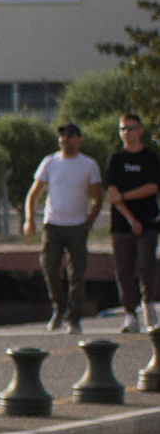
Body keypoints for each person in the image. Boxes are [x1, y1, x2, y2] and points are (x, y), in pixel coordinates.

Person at [25, 121, 106, 333]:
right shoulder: (50, 162)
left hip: (77, 226)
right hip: (53, 225)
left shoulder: (88, 165)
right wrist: (29, 219)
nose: (65, 140)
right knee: (49, 266)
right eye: (62, 137)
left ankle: (74, 317)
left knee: (76, 273)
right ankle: (59, 307)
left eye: (70, 136)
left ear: (79, 139)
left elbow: (98, 198)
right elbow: (34, 194)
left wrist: (90, 220)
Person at [105, 116, 159, 334]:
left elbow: (152, 187)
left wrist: (125, 196)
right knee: (124, 268)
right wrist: (130, 219)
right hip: (122, 224)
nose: (126, 132)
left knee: (146, 264)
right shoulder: (116, 159)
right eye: (122, 129)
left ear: (140, 131)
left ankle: (149, 305)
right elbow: (111, 195)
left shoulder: (151, 157)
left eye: (130, 128)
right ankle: (130, 314)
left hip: (149, 221)